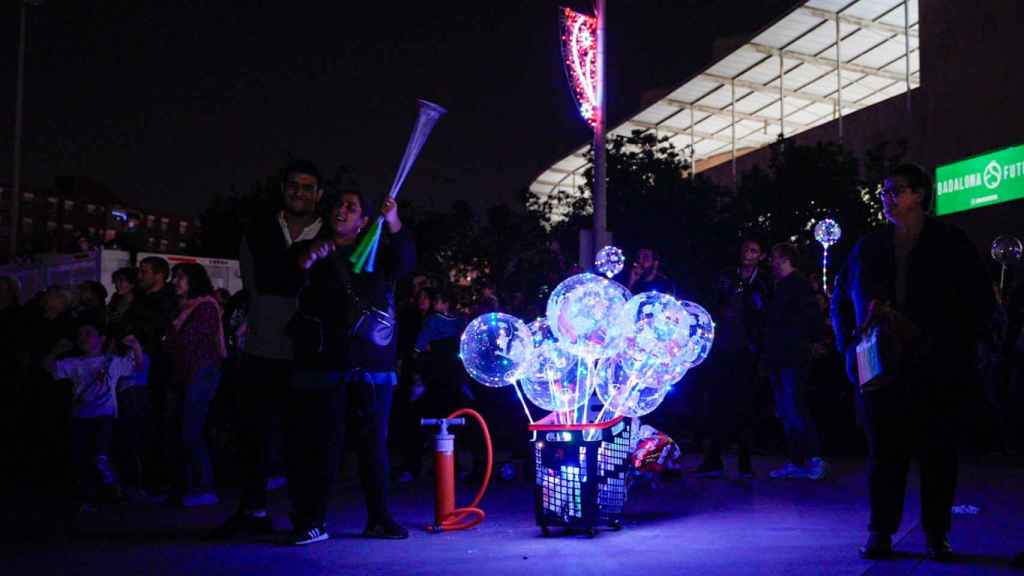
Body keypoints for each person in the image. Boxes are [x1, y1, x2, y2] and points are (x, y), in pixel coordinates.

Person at [831, 163, 993, 561]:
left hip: (935, 363)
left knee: (938, 453)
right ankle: (880, 532)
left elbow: (975, 301)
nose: (887, 197)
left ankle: (936, 533)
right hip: (880, 365)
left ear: (920, 194)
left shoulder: (950, 241)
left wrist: (956, 344)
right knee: (885, 454)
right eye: (884, 191)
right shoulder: (868, 246)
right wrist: (850, 346)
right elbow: (840, 299)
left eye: (896, 190)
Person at [285, 190, 414, 545]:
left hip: (374, 367)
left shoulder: (379, 253)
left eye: (352, 207)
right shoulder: (312, 249)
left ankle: (379, 518)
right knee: (323, 447)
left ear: (362, 221)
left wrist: (393, 221)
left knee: (374, 448)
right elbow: (287, 280)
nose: (342, 210)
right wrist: (307, 260)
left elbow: (405, 261)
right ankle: (312, 520)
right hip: (328, 366)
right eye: (340, 204)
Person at [213, 160, 323, 539]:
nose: (300, 193)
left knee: (302, 440)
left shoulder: (328, 233)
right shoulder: (258, 231)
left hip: (308, 353)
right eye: (294, 185)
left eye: (308, 187)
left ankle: (304, 516)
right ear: (283, 189)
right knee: (255, 435)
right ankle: (253, 509)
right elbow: (260, 284)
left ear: (319, 195)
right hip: (263, 346)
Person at [692, 239, 769, 479]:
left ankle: (744, 462)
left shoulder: (763, 282)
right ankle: (713, 459)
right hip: (723, 348)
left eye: (754, 251)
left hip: (747, 352)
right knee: (717, 403)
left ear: (761, 256)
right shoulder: (727, 277)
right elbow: (712, 303)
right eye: (745, 249)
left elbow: (765, 314)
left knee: (745, 406)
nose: (748, 254)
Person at [46, 323, 144, 505]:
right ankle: (92, 496)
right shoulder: (74, 363)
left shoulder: (112, 361)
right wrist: (56, 351)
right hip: (81, 417)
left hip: (103, 416)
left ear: (102, 338)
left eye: (88, 333)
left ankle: (111, 490)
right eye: (80, 334)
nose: (83, 337)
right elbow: (50, 368)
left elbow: (137, 367)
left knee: (100, 456)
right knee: (83, 458)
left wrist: (136, 346)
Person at [763, 242, 829, 481]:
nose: (771, 261)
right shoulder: (781, 286)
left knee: (795, 408)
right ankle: (797, 460)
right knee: (787, 411)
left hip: (792, 356)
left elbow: (811, 318)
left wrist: (811, 342)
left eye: (774, 257)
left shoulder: (798, 285)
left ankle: (814, 458)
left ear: (784, 258)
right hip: (779, 357)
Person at [163, 263, 227, 507]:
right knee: (181, 430)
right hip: (184, 374)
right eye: (175, 277)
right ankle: (185, 486)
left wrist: (171, 334)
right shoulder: (184, 308)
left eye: (181, 278)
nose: (175, 282)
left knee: (191, 430)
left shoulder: (205, 306)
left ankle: (203, 487)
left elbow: (188, 340)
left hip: (200, 373)